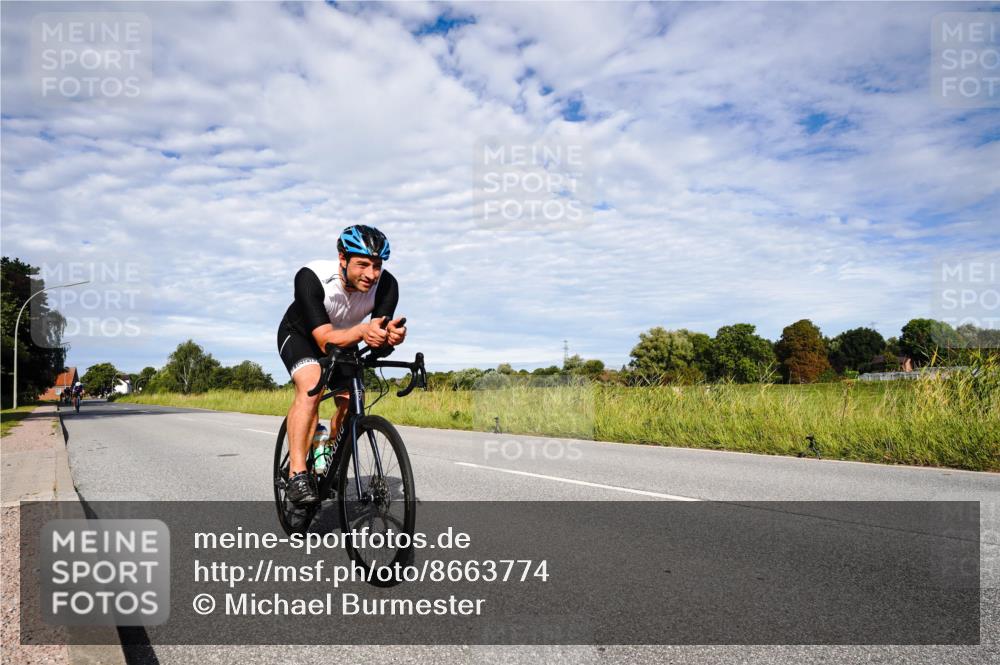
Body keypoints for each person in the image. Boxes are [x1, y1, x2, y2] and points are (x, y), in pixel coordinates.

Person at [277, 225, 406, 504]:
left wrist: (389, 338)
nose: (372, 274)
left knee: (353, 399)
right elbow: (324, 341)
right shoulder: (312, 277)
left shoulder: (386, 285)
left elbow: (374, 338)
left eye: (377, 265)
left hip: (344, 341)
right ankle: (297, 473)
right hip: (301, 336)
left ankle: (331, 457)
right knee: (311, 385)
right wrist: (361, 333)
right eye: (363, 264)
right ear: (342, 259)